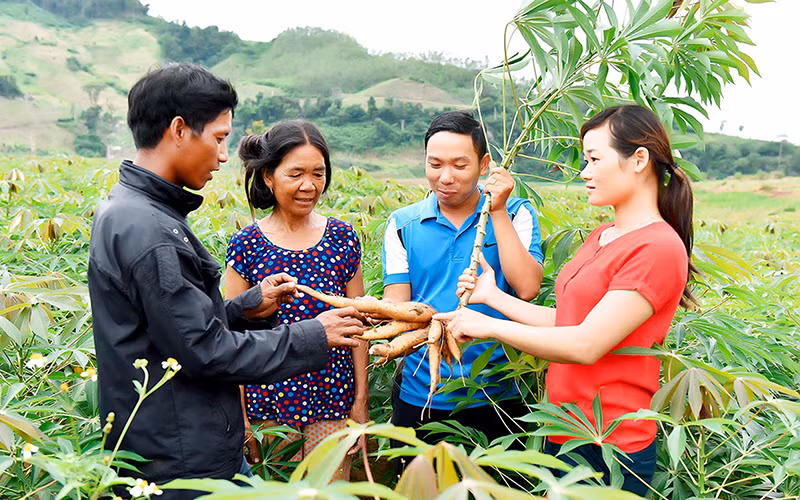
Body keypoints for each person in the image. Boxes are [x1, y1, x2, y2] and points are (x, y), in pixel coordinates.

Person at [87, 63, 364, 499]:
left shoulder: (136, 212)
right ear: (180, 130)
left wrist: (243, 309)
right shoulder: (150, 230)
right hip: (181, 458)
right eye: (218, 138)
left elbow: (174, 330)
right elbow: (205, 351)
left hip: (186, 441)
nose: (222, 156)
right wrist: (314, 335)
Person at [437, 105, 696, 495]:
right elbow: (570, 320)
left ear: (639, 159)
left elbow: (586, 344)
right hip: (566, 431)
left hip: (611, 445)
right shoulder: (603, 236)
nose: (584, 173)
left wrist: (490, 327)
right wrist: (493, 298)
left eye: (594, 159)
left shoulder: (656, 247)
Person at [381, 110, 544, 466]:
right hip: (422, 390)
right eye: (435, 164)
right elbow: (397, 306)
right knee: (420, 488)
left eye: (459, 165)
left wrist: (497, 210)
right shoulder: (403, 224)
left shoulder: (516, 213)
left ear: (484, 165)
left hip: (499, 390)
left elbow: (528, 288)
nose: (445, 177)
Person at [225, 120, 368, 480]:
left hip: (333, 398)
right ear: (269, 177)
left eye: (318, 174)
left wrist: (361, 402)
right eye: (296, 174)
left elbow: (359, 325)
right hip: (266, 402)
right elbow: (232, 334)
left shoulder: (342, 238)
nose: (309, 185)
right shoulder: (246, 244)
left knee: (330, 492)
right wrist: (240, 416)